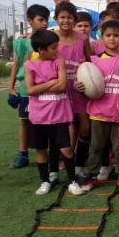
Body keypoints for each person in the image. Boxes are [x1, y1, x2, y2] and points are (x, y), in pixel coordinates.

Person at [24, 30, 86, 196]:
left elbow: (62, 85)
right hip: (38, 118)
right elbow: (30, 90)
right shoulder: (29, 64)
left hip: (59, 117)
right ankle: (45, 181)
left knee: (66, 149)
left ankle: (72, 181)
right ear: (41, 50)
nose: (57, 50)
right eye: (53, 47)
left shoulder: (59, 61)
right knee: (41, 150)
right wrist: (51, 82)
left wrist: (42, 86)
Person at [79, 20, 119, 183]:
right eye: (108, 35)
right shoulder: (93, 61)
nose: (112, 39)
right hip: (98, 112)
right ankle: (90, 172)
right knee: (96, 147)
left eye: (116, 35)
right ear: (101, 38)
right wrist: (79, 85)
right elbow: (84, 80)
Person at [53, 1, 93, 186]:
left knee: (84, 128)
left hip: (80, 90)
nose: (66, 20)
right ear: (56, 19)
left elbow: (89, 62)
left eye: (69, 17)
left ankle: (79, 164)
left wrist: (88, 81)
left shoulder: (82, 39)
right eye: (62, 17)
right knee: (64, 131)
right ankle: (61, 166)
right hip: (59, 90)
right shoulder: (51, 37)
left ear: (74, 19)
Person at [8, 4, 50, 169]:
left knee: (46, 122)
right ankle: (23, 153)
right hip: (26, 89)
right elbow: (16, 65)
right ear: (30, 21)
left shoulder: (50, 41)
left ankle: (47, 152)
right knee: (25, 122)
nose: (44, 23)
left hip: (45, 89)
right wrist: (11, 87)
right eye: (40, 20)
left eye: (46, 19)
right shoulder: (22, 42)